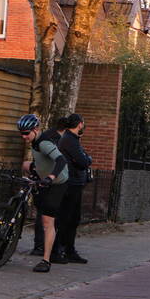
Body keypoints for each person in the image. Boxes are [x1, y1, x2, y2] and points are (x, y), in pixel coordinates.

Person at [17, 114, 69, 272]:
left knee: (47, 222)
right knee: (25, 165)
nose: (23, 136)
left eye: (26, 133)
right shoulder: (34, 141)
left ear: (36, 130)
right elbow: (39, 161)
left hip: (57, 181)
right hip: (44, 176)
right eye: (21, 133)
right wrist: (34, 173)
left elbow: (61, 160)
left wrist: (51, 177)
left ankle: (46, 260)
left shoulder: (44, 143)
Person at [57, 113, 92, 264]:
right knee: (67, 218)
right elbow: (83, 160)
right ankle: (61, 249)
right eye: (83, 123)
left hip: (75, 182)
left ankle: (68, 249)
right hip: (71, 183)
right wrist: (87, 159)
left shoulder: (71, 139)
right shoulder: (70, 140)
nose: (83, 126)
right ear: (79, 124)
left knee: (73, 218)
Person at [31, 118, 67, 256]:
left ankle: (42, 249)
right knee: (50, 217)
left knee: (45, 216)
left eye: (26, 133)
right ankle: (49, 251)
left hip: (50, 179)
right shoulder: (49, 140)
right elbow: (61, 160)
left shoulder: (44, 139)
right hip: (52, 180)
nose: (23, 136)